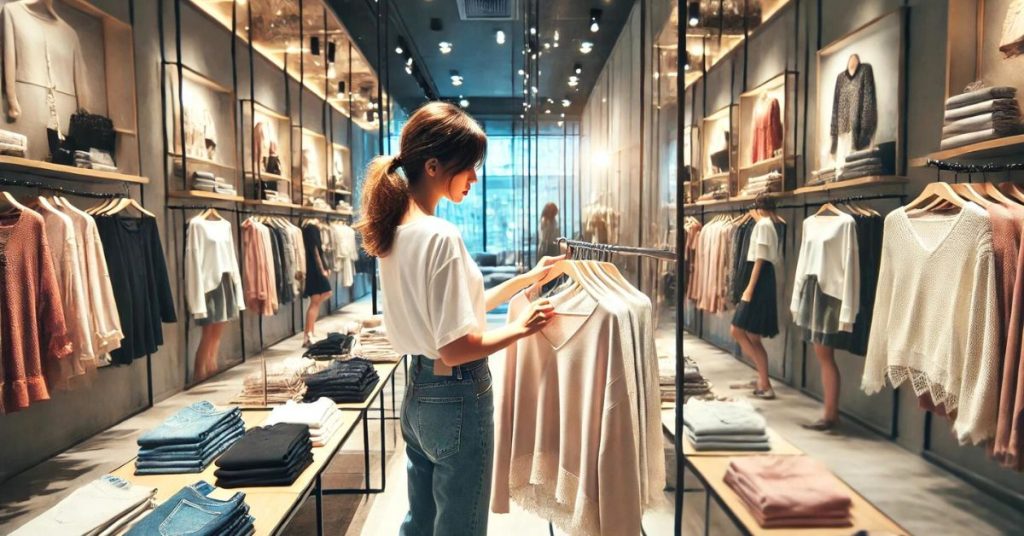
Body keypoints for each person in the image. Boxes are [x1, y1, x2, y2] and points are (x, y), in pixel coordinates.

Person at [355, 102, 563, 536]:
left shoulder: (395, 232)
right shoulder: (441, 235)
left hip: (418, 396)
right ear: (434, 166)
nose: (473, 178)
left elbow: (451, 314)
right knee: (460, 528)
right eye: (468, 167)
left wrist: (523, 280)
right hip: (457, 394)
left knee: (422, 522)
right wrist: (520, 328)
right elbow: (456, 345)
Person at [729, 193, 782, 400]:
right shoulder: (771, 225)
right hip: (765, 278)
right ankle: (763, 381)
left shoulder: (763, 225)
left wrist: (749, 288)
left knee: (736, 330)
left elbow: (760, 258)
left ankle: (764, 380)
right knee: (753, 337)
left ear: (758, 208)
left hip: (758, 280)